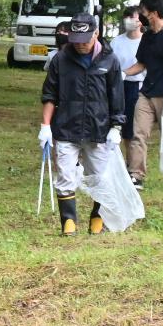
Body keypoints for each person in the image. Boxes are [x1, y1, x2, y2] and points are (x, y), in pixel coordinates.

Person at [36, 15, 127, 236]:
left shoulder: (110, 60)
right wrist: (45, 126)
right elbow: (50, 95)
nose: (80, 44)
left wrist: (117, 127)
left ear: (96, 34)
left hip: (99, 129)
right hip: (67, 127)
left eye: (84, 39)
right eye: (76, 39)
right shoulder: (61, 59)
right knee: (65, 175)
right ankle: (68, 221)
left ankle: (97, 217)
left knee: (99, 176)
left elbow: (117, 97)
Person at [123, 0, 163, 190]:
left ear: (154, 13)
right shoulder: (148, 36)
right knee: (137, 134)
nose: (140, 16)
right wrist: (123, 74)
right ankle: (136, 175)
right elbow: (141, 64)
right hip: (146, 94)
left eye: (143, 11)